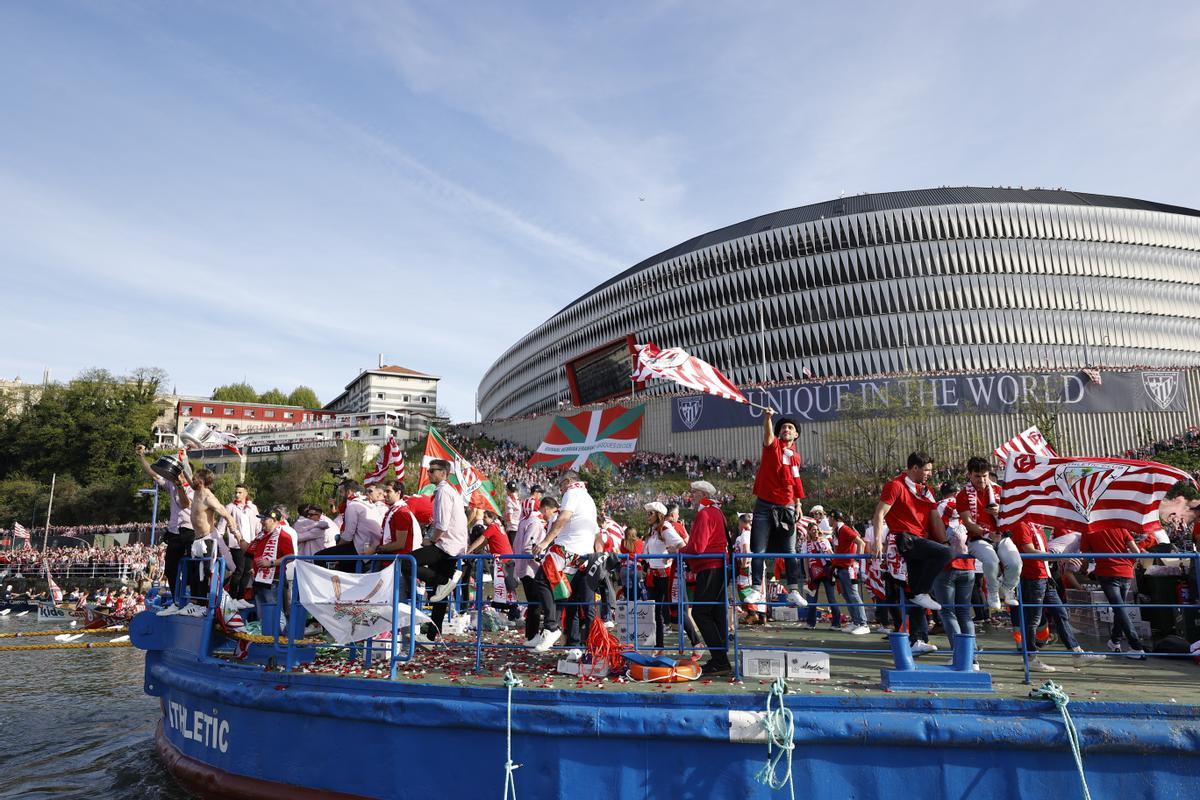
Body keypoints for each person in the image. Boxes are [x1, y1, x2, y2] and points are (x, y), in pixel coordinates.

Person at [871, 452, 953, 656]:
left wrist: (942, 540)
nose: (929, 474)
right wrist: (877, 541)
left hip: (919, 541)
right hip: (904, 540)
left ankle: (917, 639)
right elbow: (880, 513)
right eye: (926, 470)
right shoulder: (895, 485)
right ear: (914, 468)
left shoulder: (927, 490)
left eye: (931, 471)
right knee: (945, 554)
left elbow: (934, 516)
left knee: (913, 592)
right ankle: (921, 594)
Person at [1010, 520, 1105, 672]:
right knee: (1033, 619)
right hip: (1033, 577)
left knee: (1060, 613)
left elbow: (1041, 550)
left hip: (1044, 577)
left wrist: (1058, 558)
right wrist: (1061, 557)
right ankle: (1030, 658)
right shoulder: (1022, 525)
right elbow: (1028, 551)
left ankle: (1076, 653)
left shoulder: (1037, 525)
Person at [528, 470, 601, 652]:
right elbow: (596, 533)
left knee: (541, 580)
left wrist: (545, 543)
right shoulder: (589, 499)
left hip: (567, 548)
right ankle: (552, 629)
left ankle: (552, 627)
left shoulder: (572, 492)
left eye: (560, 484)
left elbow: (564, 518)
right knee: (561, 591)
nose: (560, 489)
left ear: (568, 481)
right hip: (583, 554)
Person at [750, 408, 807, 608]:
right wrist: (767, 418)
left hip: (787, 506)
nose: (786, 429)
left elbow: (794, 482)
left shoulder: (795, 457)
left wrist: (798, 504)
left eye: (790, 428)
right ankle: (756, 589)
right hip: (764, 504)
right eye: (783, 427)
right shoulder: (772, 445)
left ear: (796, 434)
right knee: (758, 549)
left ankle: (793, 589)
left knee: (790, 550)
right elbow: (767, 434)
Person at [409, 460, 470, 641]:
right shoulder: (447, 491)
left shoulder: (444, 491)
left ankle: (444, 580)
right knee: (439, 594)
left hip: (446, 545)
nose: (429, 474)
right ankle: (432, 637)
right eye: (429, 471)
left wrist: (430, 540)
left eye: (432, 471)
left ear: (443, 473)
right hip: (452, 545)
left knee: (405, 562)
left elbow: (442, 524)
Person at [681, 480, 732, 675]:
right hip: (718, 566)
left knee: (700, 613)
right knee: (715, 613)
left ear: (702, 494)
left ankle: (720, 660)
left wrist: (680, 549)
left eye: (693, 493)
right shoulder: (717, 512)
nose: (691, 496)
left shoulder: (704, 513)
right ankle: (721, 660)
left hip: (710, 567)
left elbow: (697, 547)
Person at [136, 445, 194, 604]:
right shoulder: (171, 484)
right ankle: (177, 600)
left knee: (193, 568)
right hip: (174, 531)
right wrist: (141, 457)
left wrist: (180, 485)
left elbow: (184, 504)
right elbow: (154, 474)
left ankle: (195, 599)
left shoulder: (194, 489)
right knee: (170, 569)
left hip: (190, 532)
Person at [1080, 526, 1147, 659]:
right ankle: (1115, 641)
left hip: (1107, 573)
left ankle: (1136, 646)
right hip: (1126, 572)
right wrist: (1128, 563)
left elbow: (1086, 556)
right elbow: (1136, 551)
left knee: (1119, 609)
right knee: (1119, 608)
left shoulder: (1088, 530)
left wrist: (1084, 570)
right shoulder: (1121, 528)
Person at [955, 458, 1006, 612]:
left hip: (1002, 535)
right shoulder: (963, 495)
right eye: (977, 476)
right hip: (978, 539)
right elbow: (968, 522)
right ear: (969, 475)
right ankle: (993, 593)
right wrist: (987, 534)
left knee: (1016, 562)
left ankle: (1009, 591)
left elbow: (1009, 517)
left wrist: (999, 512)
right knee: (991, 560)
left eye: (985, 476)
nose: (982, 480)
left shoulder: (999, 490)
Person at [513, 497, 555, 643]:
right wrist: (541, 563)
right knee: (535, 604)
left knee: (533, 603)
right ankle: (532, 636)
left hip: (523, 567)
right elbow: (528, 547)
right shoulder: (534, 522)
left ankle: (531, 636)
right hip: (530, 569)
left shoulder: (523, 521)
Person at [642, 501, 683, 649]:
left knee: (677, 609)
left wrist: (671, 555)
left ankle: (696, 641)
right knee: (655, 612)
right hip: (653, 576)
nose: (648, 516)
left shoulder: (665, 527)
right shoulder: (653, 530)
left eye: (650, 513)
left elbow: (681, 545)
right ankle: (659, 647)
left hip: (666, 576)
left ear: (659, 515)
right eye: (647, 513)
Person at [245, 509, 295, 620]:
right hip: (258, 579)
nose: (262, 521)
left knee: (275, 613)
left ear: (273, 520)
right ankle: (264, 635)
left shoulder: (283, 535)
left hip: (274, 580)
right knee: (262, 614)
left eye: (265, 519)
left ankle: (277, 635)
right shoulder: (261, 535)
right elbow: (250, 552)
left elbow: (290, 556)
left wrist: (271, 563)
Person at [215, 484, 260, 598]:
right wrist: (218, 541)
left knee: (247, 571)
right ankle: (233, 596)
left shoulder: (252, 508)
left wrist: (259, 539)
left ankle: (241, 597)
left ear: (246, 493)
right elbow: (222, 525)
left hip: (251, 543)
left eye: (240, 492)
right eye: (236, 492)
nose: (237, 495)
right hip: (236, 544)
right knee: (238, 570)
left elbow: (258, 525)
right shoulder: (230, 507)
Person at [829, 510, 870, 635]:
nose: (828, 521)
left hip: (848, 567)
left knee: (854, 595)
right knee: (847, 596)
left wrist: (857, 560)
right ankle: (856, 622)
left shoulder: (845, 529)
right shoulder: (837, 531)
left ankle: (863, 623)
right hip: (842, 567)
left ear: (833, 518)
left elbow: (860, 543)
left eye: (829, 518)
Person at [504, 481, 521, 545]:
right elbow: (509, 518)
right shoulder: (512, 500)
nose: (513, 493)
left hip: (515, 528)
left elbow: (509, 518)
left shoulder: (512, 500)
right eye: (512, 491)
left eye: (513, 491)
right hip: (515, 528)